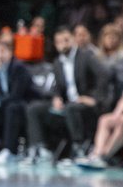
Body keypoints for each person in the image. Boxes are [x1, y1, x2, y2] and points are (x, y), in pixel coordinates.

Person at [25, 27, 111, 162]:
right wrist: (56, 97)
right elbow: (57, 87)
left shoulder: (86, 57)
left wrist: (95, 99)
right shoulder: (57, 62)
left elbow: (103, 76)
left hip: (85, 105)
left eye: (66, 40)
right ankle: (39, 148)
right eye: (59, 42)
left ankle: (79, 148)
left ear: (73, 40)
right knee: (34, 108)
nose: (63, 44)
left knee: (72, 108)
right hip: (68, 104)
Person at [0, 38, 36, 165]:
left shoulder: (18, 67)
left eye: (2, 51)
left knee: (11, 107)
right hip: (6, 104)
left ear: (10, 52)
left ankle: (9, 151)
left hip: (25, 104)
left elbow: (16, 95)